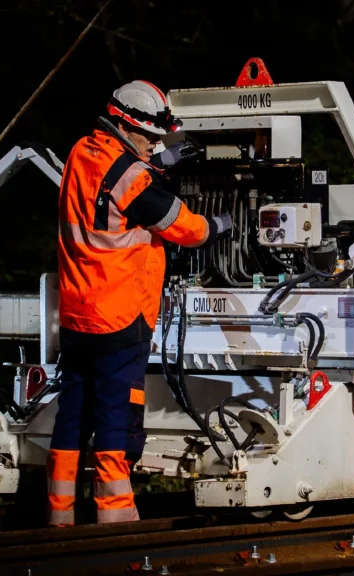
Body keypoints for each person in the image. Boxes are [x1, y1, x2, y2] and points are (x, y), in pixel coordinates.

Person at [47, 80, 232, 526]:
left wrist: (163, 161)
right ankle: (115, 517)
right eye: (150, 137)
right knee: (115, 415)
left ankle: (58, 514)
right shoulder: (134, 178)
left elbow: (111, 180)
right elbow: (183, 226)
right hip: (119, 316)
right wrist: (220, 225)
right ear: (126, 127)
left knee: (72, 415)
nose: (155, 144)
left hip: (77, 313)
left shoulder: (80, 152)